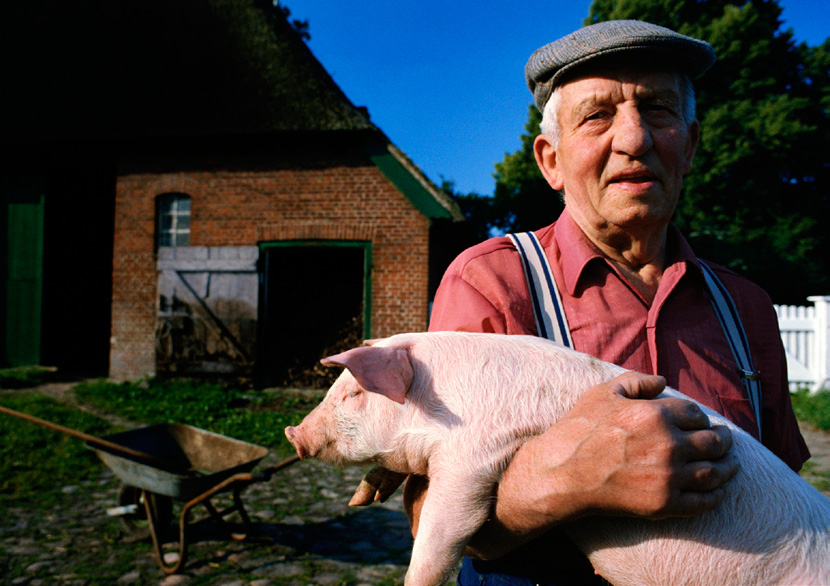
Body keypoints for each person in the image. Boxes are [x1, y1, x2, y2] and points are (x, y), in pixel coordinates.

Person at [402, 19, 810, 585]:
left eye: (659, 109)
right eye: (597, 115)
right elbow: (430, 521)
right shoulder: (492, 284)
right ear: (550, 160)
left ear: (689, 145)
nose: (634, 138)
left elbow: (785, 499)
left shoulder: (748, 308)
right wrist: (571, 478)